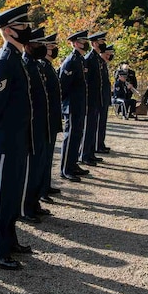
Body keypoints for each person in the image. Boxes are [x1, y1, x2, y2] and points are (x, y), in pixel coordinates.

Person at [0, 3, 33, 270]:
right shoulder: (3, 62)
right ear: (9, 30)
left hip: (17, 139)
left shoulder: (15, 59)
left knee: (11, 195)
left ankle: (9, 241)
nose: (27, 29)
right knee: (0, 197)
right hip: (5, 139)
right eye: (22, 26)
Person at [20, 28, 52, 223]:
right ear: (29, 45)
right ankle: (25, 208)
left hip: (41, 126)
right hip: (31, 127)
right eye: (38, 44)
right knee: (30, 170)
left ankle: (34, 203)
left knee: (38, 168)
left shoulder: (37, 65)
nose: (42, 47)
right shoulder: (25, 64)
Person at [59, 29, 91, 182]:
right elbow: (63, 86)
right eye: (84, 41)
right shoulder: (71, 60)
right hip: (71, 106)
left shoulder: (81, 59)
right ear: (77, 42)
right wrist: (66, 104)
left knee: (77, 136)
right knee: (70, 137)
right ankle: (66, 168)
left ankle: (73, 164)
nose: (86, 44)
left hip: (79, 105)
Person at [37, 33, 62, 199]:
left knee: (48, 155)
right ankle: (41, 189)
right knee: (43, 157)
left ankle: (45, 185)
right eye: (51, 47)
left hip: (51, 118)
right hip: (44, 119)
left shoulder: (48, 66)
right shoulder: (42, 66)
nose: (54, 50)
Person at [80, 31, 107, 166]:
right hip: (90, 100)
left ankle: (90, 153)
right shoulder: (90, 59)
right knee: (88, 127)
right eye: (101, 42)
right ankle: (84, 155)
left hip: (96, 99)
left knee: (92, 127)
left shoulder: (97, 58)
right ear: (95, 43)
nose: (103, 44)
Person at [96, 43, 114, 154]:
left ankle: (100, 144)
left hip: (104, 98)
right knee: (98, 123)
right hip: (98, 99)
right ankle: (97, 145)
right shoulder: (98, 63)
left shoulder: (103, 64)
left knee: (102, 123)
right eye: (108, 54)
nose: (109, 56)